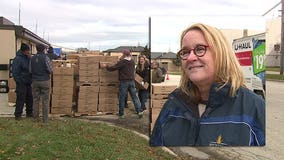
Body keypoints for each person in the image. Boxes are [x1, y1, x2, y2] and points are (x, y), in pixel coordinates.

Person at [150, 23, 265, 146]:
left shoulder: (254, 108)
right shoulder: (172, 105)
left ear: (221, 53)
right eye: (185, 52)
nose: (190, 57)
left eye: (200, 49)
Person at [100, 49, 143, 118]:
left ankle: (121, 113)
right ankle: (139, 111)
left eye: (122, 54)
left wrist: (106, 66)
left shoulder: (123, 62)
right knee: (134, 97)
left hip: (124, 82)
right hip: (132, 81)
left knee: (122, 98)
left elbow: (113, 68)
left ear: (124, 54)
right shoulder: (132, 61)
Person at [30, 44, 52, 123]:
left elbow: (30, 70)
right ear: (43, 49)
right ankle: (45, 119)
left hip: (35, 81)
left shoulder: (32, 58)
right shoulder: (46, 58)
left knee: (35, 100)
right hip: (45, 80)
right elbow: (50, 70)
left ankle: (35, 118)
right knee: (45, 100)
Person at [12, 43, 33, 120]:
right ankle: (18, 114)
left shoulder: (28, 58)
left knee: (29, 98)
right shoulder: (18, 59)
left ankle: (29, 112)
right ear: (23, 51)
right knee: (21, 98)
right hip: (21, 82)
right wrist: (19, 81)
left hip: (28, 81)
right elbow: (15, 72)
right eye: (27, 51)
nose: (29, 52)